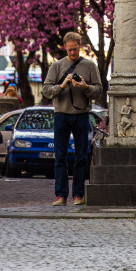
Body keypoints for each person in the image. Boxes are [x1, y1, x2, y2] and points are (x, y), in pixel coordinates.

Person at [41, 32, 103, 206]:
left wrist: (85, 87)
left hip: (82, 115)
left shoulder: (90, 66)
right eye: (69, 50)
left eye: (75, 50)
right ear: (65, 48)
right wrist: (61, 86)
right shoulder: (57, 66)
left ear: (80, 47)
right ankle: (60, 196)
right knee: (60, 156)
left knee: (81, 157)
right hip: (61, 114)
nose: (73, 53)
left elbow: (98, 90)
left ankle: (78, 195)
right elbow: (46, 90)